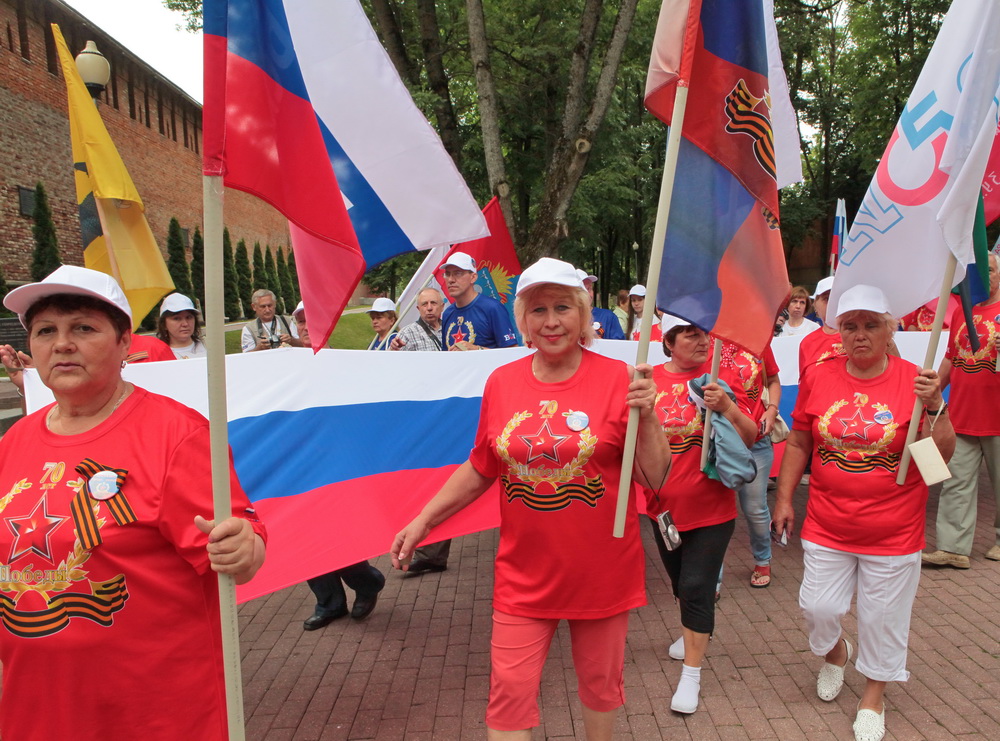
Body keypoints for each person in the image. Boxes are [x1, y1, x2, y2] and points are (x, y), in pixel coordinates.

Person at [391, 258, 671, 740]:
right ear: (522, 320)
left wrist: (648, 418)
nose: (551, 321)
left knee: (601, 687)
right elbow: (482, 466)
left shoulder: (621, 378)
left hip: (600, 569)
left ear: (583, 315)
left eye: (563, 307)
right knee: (508, 696)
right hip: (524, 574)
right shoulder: (502, 382)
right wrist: (423, 521)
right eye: (538, 309)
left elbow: (656, 475)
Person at [0, 265, 267, 740]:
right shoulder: (13, 442)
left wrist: (245, 546)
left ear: (126, 343)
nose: (62, 343)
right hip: (36, 713)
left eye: (83, 327)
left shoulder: (177, 436)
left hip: (154, 715)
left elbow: (241, 550)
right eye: (46, 331)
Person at [772, 284, 954, 741]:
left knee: (882, 619)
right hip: (827, 523)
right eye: (850, 326)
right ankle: (835, 653)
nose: (859, 335)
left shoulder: (916, 380)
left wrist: (937, 408)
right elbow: (799, 441)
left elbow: (937, 462)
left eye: (871, 325)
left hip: (893, 532)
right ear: (837, 331)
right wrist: (782, 499)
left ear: (890, 329)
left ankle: (874, 695)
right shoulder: (821, 375)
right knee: (818, 607)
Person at [643, 314, 756, 714]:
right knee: (679, 583)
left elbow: (750, 435)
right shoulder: (647, 378)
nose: (701, 340)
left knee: (695, 585)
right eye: (690, 334)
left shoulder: (719, 380)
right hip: (661, 509)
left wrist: (727, 407)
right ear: (669, 341)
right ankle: (692, 628)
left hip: (713, 508)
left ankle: (691, 674)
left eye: (704, 333)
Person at [292, 301, 386, 627]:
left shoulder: (345, 365)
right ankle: (329, 602)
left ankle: (366, 581)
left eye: (311, 320)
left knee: (338, 535)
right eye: (300, 322)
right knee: (303, 537)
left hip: (337, 467)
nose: (305, 327)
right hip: (300, 469)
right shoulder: (285, 368)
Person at [923, 252, 1000, 569]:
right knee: (955, 482)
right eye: (982, 271)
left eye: (992, 270)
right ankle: (953, 547)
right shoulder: (961, 313)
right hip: (963, 416)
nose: (987, 276)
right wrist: (933, 391)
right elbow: (951, 358)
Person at [721, 340, 781, 587]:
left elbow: (774, 380)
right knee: (715, 514)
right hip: (717, 443)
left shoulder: (758, 340)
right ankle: (712, 577)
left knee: (755, 508)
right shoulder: (704, 340)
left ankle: (763, 560)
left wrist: (772, 410)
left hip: (756, 439)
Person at [440, 251, 518, 351]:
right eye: (447, 274)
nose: (450, 280)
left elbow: (512, 353)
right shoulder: (447, 313)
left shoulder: (492, 308)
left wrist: (476, 350)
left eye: (457, 273)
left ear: (473, 277)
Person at [798, 277, 846, 380]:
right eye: (827, 299)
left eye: (837, 299)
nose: (832, 304)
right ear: (815, 304)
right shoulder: (807, 343)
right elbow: (805, 385)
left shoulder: (857, 337)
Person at [390, 287, 444, 351]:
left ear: (442, 307)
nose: (429, 308)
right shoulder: (407, 333)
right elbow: (390, 358)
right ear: (419, 309)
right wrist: (393, 349)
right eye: (425, 304)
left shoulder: (451, 329)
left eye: (433, 303)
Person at [576, 269, 625, 340]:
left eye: (589, 289)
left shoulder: (608, 317)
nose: (587, 294)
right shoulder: (565, 319)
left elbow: (620, 349)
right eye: (582, 290)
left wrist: (595, 337)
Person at [156, 293, 207, 359]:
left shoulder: (209, 347)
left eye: (189, 317)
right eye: (177, 318)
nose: (185, 324)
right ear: (164, 324)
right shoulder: (158, 354)